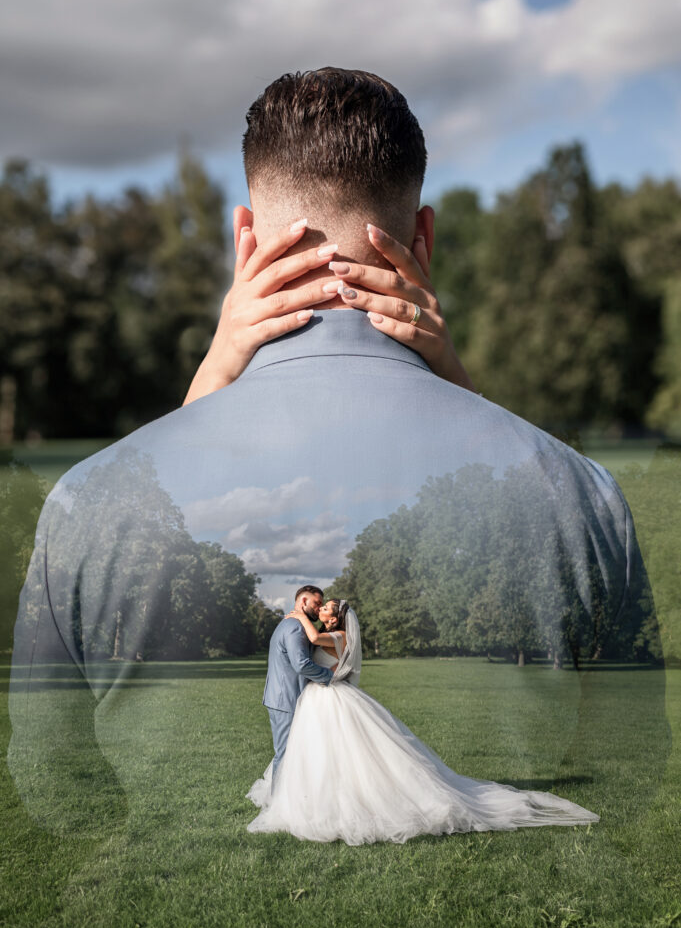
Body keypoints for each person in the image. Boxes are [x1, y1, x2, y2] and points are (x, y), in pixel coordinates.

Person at [7, 67, 667, 840]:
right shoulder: (582, 490)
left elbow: (46, 793)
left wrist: (206, 386)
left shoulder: (87, 498)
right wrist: (463, 390)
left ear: (244, 241)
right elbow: (644, 775)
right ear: (420, 239)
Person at [247, 598, 598, 845]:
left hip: (330, 697)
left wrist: (297, 613)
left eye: (325, 608)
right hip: (319, 700)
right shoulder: (331, 630)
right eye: (318, 607)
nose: (320, 610)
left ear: (337, 619)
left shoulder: (337, 637)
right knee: (322, 754)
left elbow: (310, 639)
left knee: (348, 752)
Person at [262, 585, 336, 782]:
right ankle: (277, 805)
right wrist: (331, 676)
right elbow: (302, 665)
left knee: (296, 754)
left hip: (289, 697)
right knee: (285, 755)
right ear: (303, 601)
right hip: (285, 699)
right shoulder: (295, 627)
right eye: (317, 603)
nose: (319, 608)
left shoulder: (294, 624)